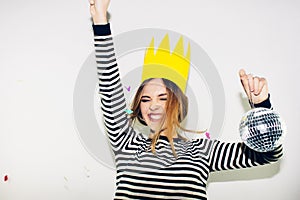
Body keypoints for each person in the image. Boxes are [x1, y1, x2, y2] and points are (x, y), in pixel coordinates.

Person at [89, 0, 283, 199]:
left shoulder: (203, 151)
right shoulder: (126, 145)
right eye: (145, 99)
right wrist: (100, 19)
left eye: (162, 97)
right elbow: (109, 87)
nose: (153, 105)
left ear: (178, 102)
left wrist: (261, 107)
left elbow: (267, 154)